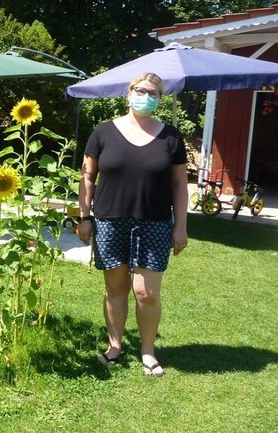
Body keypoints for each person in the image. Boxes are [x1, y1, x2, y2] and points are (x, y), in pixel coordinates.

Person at [76, 72, 188, 377]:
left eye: (154, 93)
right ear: (128, 92)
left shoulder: (172, 138)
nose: (147, 96)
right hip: (110, 220)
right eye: (141, 90)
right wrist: (84, 217)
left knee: (146, 293)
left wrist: (181, 226)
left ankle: (148, 352)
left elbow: (179, 184)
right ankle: (114, 346)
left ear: (160, 99)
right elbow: (87, 176)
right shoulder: (102, 133)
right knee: (116, 287)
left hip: (154, 223)